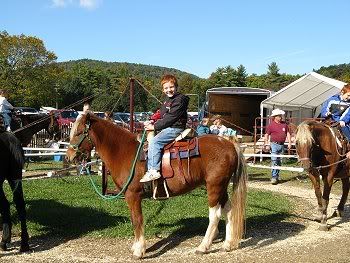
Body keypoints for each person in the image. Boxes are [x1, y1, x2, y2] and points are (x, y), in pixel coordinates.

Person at [140, 74, 189, 183]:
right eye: (166, 88)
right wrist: (152, 119)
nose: (169, 90)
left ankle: (153, 170)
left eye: (171, 87)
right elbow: (161, 113)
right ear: (163, 90)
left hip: (175, 128)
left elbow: (171, 117)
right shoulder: (167, 100)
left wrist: (155, 126)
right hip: (168, 127)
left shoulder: (180, 100)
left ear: (176, 87)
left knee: (155, 142)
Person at [264, 108, 291, 185]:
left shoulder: (284, 125)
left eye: (280, 116)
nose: (280, 117)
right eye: (279, 116)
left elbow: (288, 133)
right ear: (275, 117)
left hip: (282, 145)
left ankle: (276, 175)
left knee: (279, 161)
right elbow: (266, 135)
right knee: (274, 160)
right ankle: (274, 177)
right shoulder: (271, 126)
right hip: (274, 144)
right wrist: (267, 143)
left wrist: (289, 142)